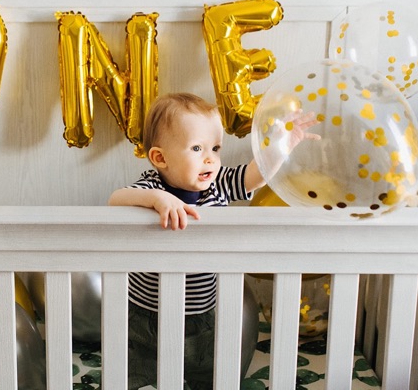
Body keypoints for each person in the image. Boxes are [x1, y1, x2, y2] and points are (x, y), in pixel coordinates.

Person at [108, 92, 319, 389]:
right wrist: (156, 199)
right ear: (160, 158)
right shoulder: (150, 187)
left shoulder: (218, 186)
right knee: (129, 376)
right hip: (145, 316)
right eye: (197, 148)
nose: (210, 158)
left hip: (201, 316)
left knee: (208, 375)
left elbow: (255, 176)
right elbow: (116, 200)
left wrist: (281, 147)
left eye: (216, 148)